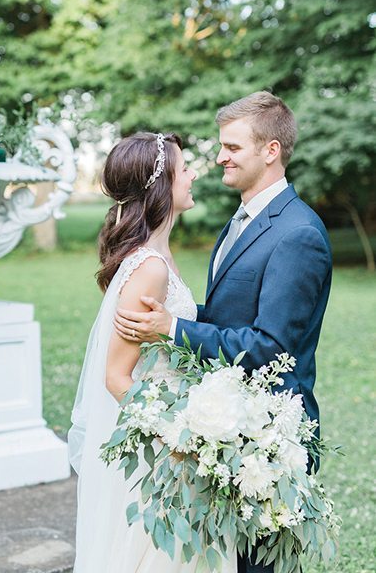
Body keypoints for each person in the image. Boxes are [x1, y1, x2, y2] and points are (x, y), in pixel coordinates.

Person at [114, 92, 333, 573]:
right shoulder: (241, 221)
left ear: (270, 151)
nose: (219, 157)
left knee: (255, 565)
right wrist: (178, 311)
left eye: (232, 147)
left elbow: (270, 345)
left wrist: (172, 326)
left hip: (268, 435)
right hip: (228, 421)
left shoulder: (298, 234)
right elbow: (232, 315)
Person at [68, 131, 236, 573]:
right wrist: (177, 439)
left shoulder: (160, 257)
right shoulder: (149, 269)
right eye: (185, 169)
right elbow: (116, 376)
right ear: (161, 186)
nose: (196, 172)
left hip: (178, 423)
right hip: (163, 446)